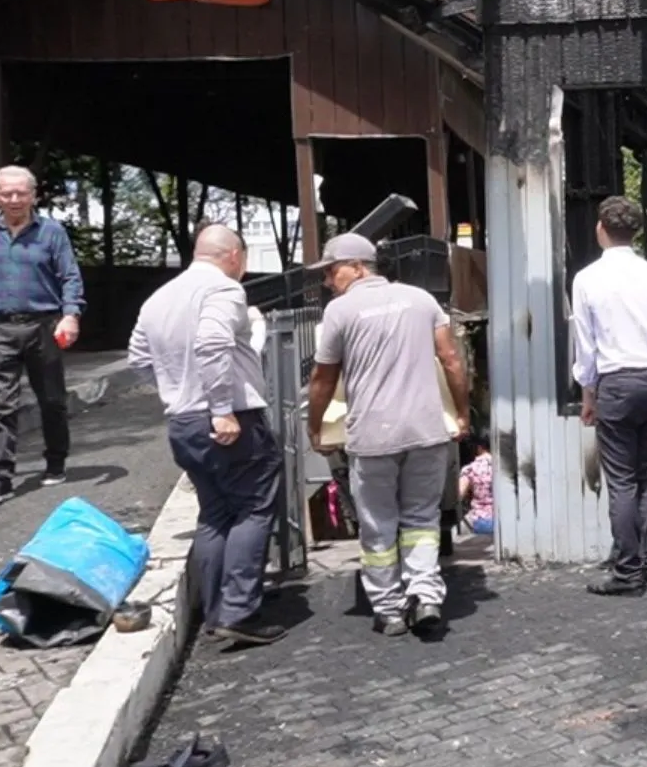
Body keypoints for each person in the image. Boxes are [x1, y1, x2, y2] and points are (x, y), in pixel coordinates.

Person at [305, 233, 470, 637]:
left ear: (359, 266)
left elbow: (323, 379)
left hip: (372, 437)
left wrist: (315, 426)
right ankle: (426, 595)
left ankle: (390, 609)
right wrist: (462, 413)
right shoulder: (422, 300)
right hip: (426, 430)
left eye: (332, 270)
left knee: (378, 524)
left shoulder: (340, 312)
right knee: (421, 519)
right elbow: (451, 359)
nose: (328, 280)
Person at [128, 225, 285, 646]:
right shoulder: (225, 291)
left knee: (214, 513)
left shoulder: (158, 298)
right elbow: (214, 342)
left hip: (182, 423)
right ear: (234, 255)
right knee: (254, 507)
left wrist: (177, 389)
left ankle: (217, 612)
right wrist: (220, 409)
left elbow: (138, 358)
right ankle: (239, 612)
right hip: (228, 419)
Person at [571, 196, 647, 597]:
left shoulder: (587, 279)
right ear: (636, 231)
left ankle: (628, 572)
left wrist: (588, 393)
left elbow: (586, 345)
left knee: (622, 482)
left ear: (601, 227)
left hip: (618, 383)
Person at [0, 165, 84, 507]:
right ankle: (0, 479)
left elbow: (70, 277)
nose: (15, 200)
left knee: (51, 400)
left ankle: (56, 461)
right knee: (2, 405)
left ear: (34, 195)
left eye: (22, 193)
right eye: (7, 194)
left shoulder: (51, 232)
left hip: (44, 325)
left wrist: (71, 315)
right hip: (0, 326)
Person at [457, 437, 496, 538]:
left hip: (479, 521)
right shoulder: (503, 467)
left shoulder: (470, 469)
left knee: (454, 533)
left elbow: (458, 496)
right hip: (505, 522)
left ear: (479, 448)